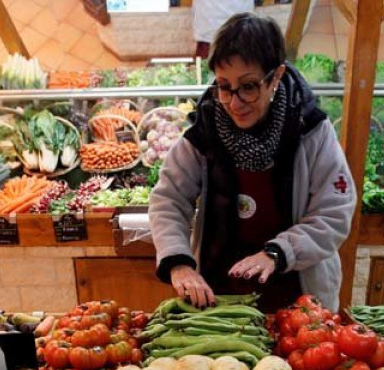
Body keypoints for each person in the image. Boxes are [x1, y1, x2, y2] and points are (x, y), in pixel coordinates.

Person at [149, 13, 356, 312]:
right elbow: (168, 200)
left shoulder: (311, 130)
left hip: (297, 297)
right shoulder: (205, 131)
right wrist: (178, 262)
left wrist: (278, 253)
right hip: (218, 295)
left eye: (248, 87)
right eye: (224, 86)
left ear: (276, 77)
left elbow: (333, 213)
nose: (234, 102)